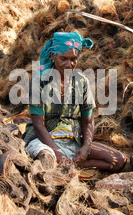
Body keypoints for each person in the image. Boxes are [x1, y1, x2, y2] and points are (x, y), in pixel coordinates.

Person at [22, 31, 127, 172]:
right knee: (47, 160)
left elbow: (88, 121)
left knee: (118, 161)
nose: (69, 64)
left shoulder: (81, 81)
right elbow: (38, 125)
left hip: (73, 140)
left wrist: (86, 147)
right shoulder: (39, 80)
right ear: (53, 56)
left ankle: (72, 164)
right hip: (44, 141)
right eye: (63, 58)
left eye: (73, 59)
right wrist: (56, 152)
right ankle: (61, 163)